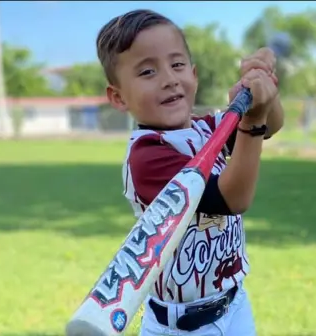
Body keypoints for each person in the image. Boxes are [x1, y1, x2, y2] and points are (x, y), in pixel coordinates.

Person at [96, 9, 284, 336]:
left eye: (177, 64)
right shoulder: (146, 156)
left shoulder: (206, 127)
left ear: (194, 75)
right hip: (181, 326)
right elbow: (232, 198)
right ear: (118, 96)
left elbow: (272, 125)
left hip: (234, 305)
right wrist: (252, 121)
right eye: (148, 71)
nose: (169, 78)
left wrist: (261, 84)